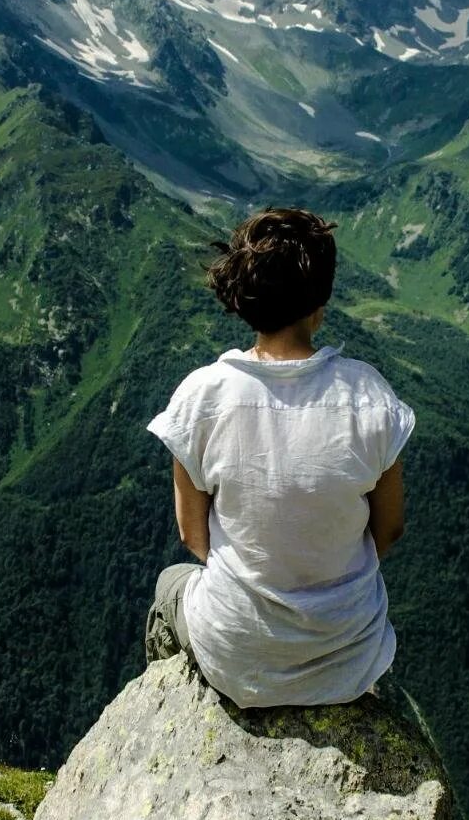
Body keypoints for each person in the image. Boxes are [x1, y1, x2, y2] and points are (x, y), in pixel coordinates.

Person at [143, 207, 413, 708]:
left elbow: (193, 536)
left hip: (234, 648)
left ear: (245, 302)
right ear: (320, 303)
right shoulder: (369, 396)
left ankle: (167, 707)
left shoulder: (201, 397)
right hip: (349, 652)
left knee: (169, 585)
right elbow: (389, 528)